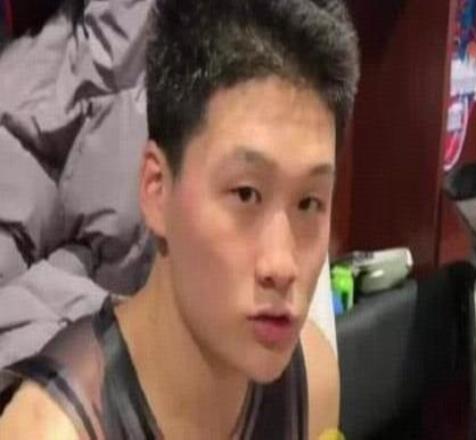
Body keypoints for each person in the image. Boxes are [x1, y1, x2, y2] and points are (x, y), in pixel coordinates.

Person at [0, 0, 359, 438]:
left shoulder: (312, 381)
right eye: (246, 194)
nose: (282, 265)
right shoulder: (50, 430)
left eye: (309, 203)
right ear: (156, 188)